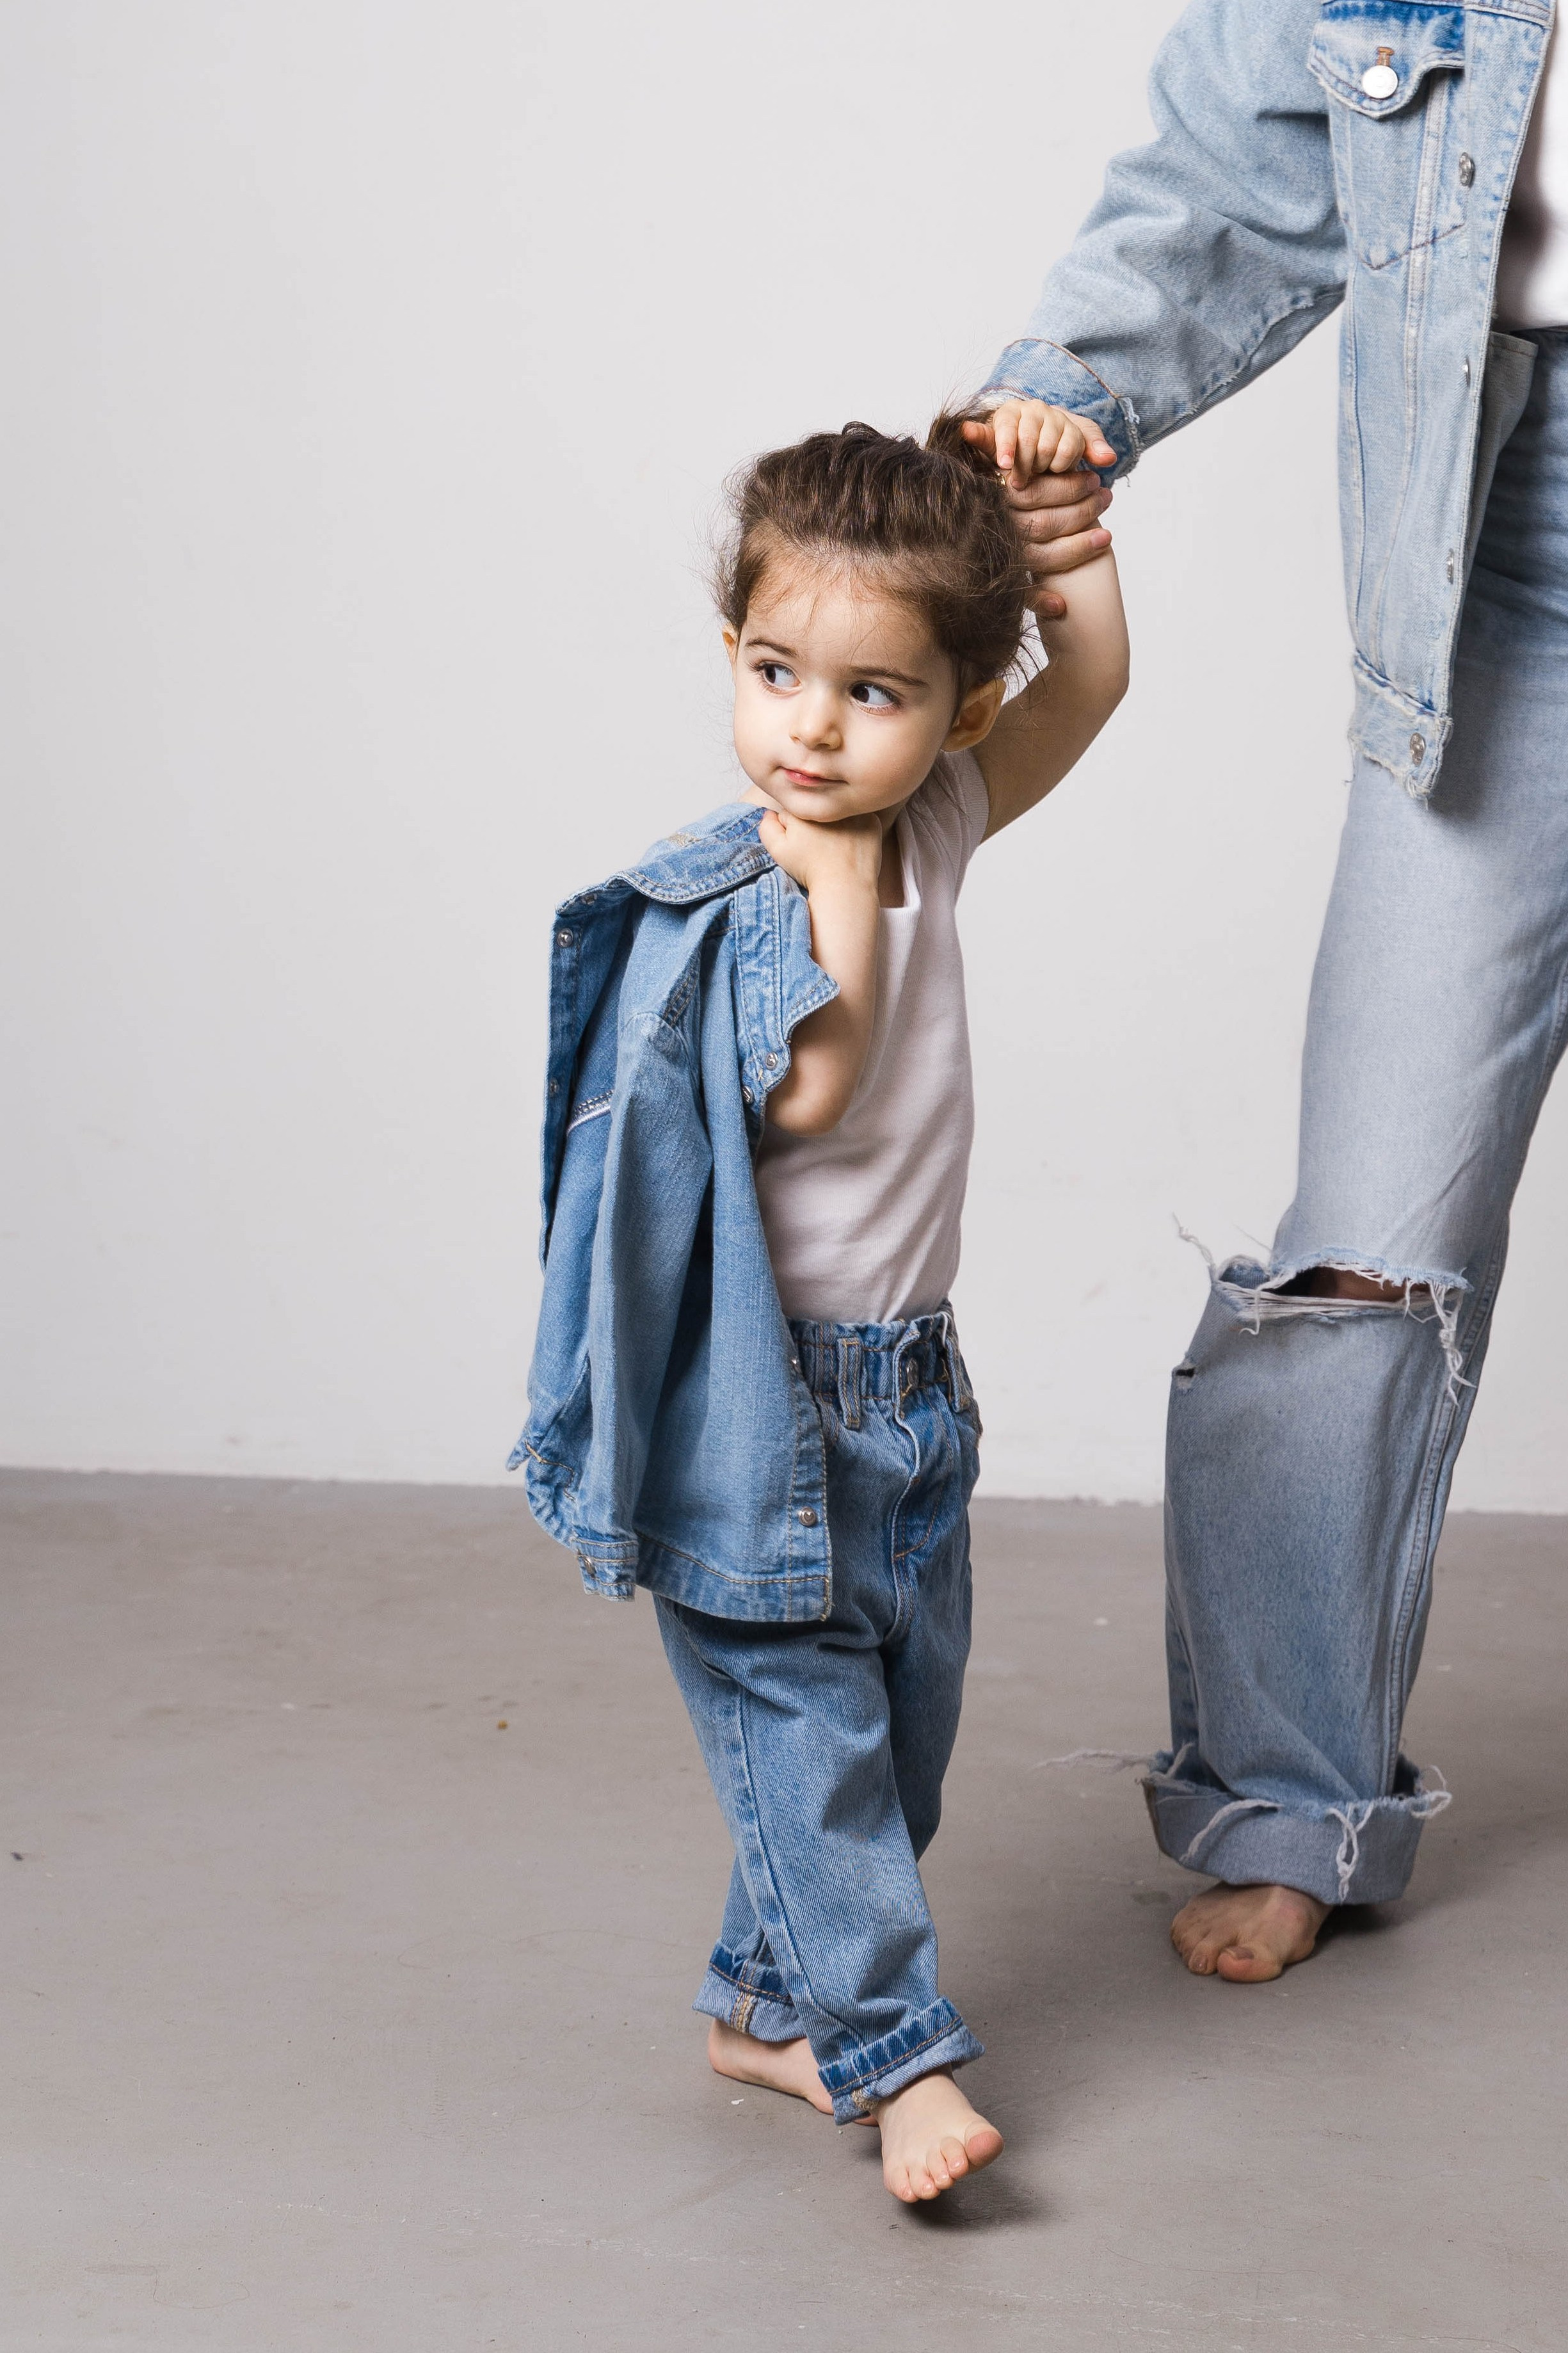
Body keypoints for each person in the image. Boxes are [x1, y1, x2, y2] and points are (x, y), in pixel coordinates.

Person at [962, 0, 1568, 1982]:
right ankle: (1290, 1792)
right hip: (1513, 566)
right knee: (1364, 1241)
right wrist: (1052, 402)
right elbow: (1230, 171)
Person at [515, 417, 1128, 2199]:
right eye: (778, 673)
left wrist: (1057, 510)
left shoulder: (932, 814)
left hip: (908, 1381)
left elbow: (1085, 679)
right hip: (755, 1403)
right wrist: (840, 892)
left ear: (957, 713)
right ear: (733, 662)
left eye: (870, 692)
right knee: (814, 1745)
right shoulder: (756, 886)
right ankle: (890, 2056)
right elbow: (810, 1098)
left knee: (896, 1739)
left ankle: (760, 2007)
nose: (810, 726)